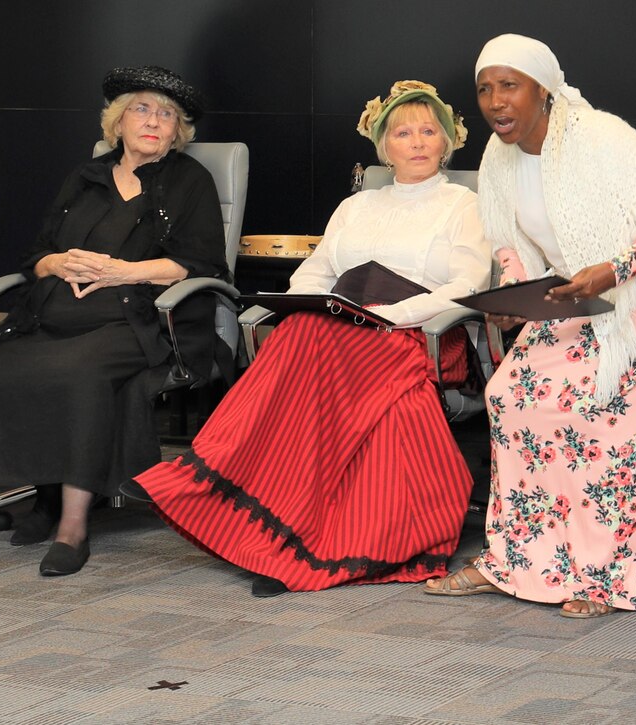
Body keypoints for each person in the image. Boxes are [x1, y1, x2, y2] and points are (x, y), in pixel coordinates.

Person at [128, 80, 491, 597]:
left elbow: (468, 285)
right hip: (343, 326)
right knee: (299, 329)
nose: (415, 142)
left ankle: (208, 481)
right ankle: (280, 531)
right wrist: (307, 303)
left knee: (306, 346)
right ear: (383, 145)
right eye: (402, 132)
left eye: (427, 131)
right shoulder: (357, 206)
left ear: (447, 141)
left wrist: (389, 315)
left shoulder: (464, 204)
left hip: (420, 332)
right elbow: (316, 273)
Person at [424, 34, 636, 618]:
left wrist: (612, 271)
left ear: (543, 90)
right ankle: (518, 559)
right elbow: (510, 243)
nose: (497, 101)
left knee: (599, 410)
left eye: (510, 85)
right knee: (512, 395)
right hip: (577, 296)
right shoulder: (499, 158)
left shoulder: (601, 137)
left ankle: (609, 576)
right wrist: (512, 300)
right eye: (484, 89)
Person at [0, 66, 228, 576]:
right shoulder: (84, 177)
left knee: (80, 375)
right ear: (118, 122)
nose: (154, 121)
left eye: (166, 114)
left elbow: (202, 262)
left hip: (141, 316)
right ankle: (46, 495)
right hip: (59, 309)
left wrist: (123, 271)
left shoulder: (189, 180)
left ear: (179, 131)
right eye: (142, 109)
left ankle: (72, 524)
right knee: (2, 369)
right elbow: (37, 254)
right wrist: (55, 264)